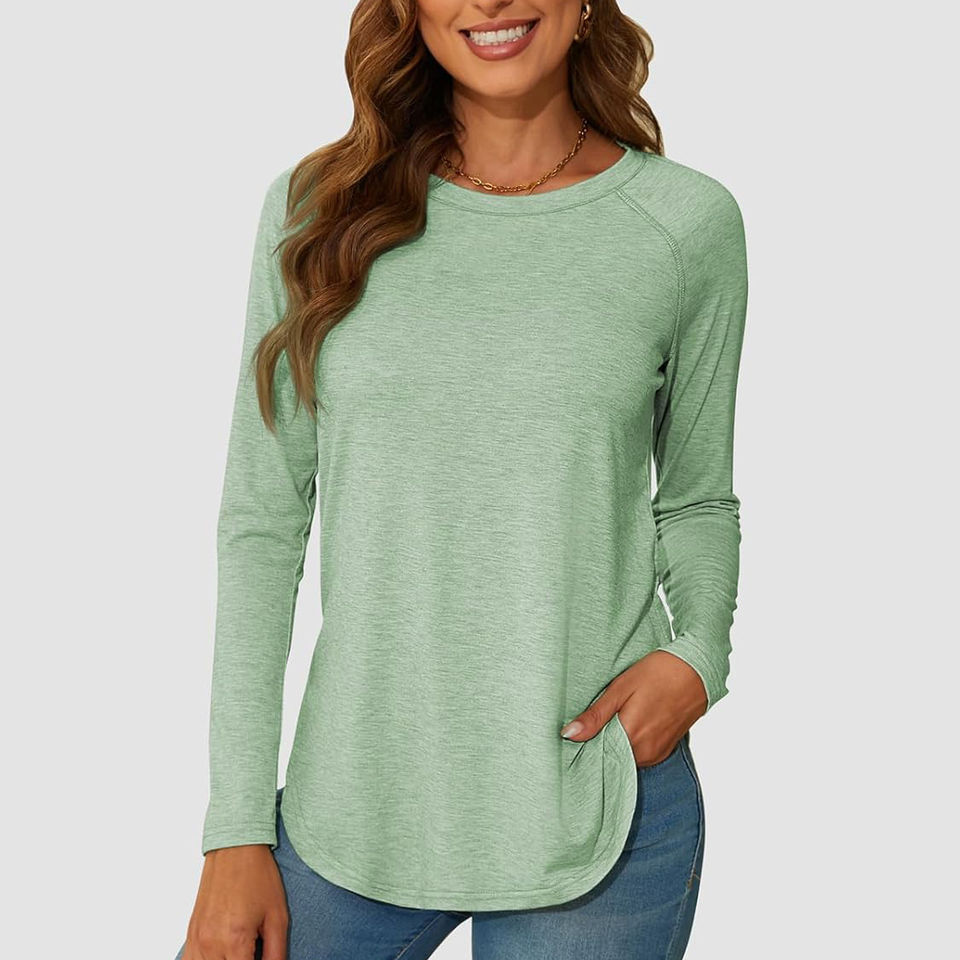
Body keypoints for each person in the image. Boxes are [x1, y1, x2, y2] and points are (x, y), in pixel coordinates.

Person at [174, 2, 749, 958]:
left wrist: (699, 658)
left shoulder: (684, 225)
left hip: (596, 804)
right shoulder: (317, 210)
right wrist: (234, 829)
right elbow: (262, 525)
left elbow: (695, 496)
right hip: (353, 806)